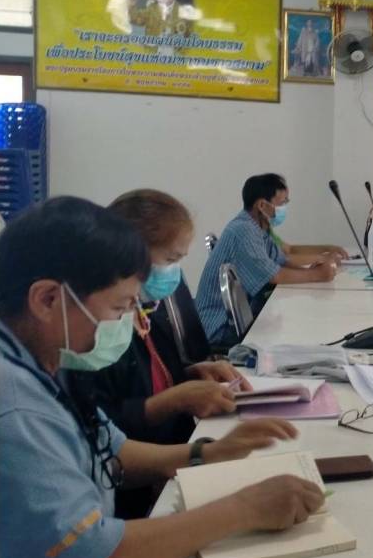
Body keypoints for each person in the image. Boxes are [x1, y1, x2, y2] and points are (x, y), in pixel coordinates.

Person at [0, 197, 324, 558]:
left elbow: (110, 449)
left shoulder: (43, 357)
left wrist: (203, 454)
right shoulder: (13, 407)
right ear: (48, 299)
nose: (126, 322)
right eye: (119, 308)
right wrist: (244, 509)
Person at [66, 190, 254, 516]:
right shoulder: (92, 332)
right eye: (170, 260)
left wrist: (190, 374)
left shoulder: (148, 307)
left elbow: (147, 383)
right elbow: (100, 431)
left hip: (165, 458)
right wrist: (175, 402)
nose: (176, 272)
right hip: (133, 492)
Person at [195, 174, 339, 346]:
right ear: (262, 205)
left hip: (238, 316)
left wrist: (310, 270)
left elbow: (281, 260)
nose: (284, 208)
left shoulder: (258, 228)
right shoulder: (244, 231)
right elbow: (273, 275)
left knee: (290, 321)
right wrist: (316, 275)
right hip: (220, 328)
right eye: (282, 203)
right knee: (293, 330)